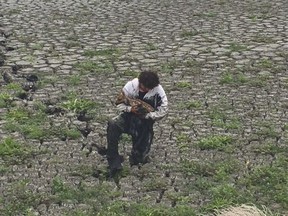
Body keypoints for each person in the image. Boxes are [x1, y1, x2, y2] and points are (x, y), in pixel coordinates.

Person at [106, 71, 168, 175]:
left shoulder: (159, 92)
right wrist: (130, 109)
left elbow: (164, 111)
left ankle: (137, 158)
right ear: (140, 82)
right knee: (113, 125)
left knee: (139, 158)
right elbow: (118, 104)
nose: (147, 90)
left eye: (150, 89)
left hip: (145, 122)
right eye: (144, 88)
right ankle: (113, 161)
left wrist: (148, 116)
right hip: (128, 117)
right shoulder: (130, 87)